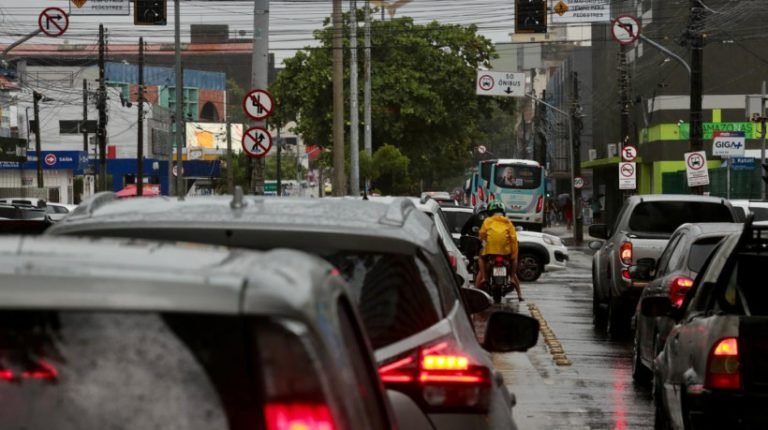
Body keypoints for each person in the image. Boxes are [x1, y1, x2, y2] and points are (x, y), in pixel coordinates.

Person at [474, 200, 523, 301]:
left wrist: (482, 239)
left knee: (481, 258)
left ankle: (482, 280)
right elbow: (513, 238)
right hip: (506, 251)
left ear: (490, 212)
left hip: (490, 251)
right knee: (514, 261)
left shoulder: (487, 221)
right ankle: (519, 292)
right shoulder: (508, 222)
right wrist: (514, 253)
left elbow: (482, 235)